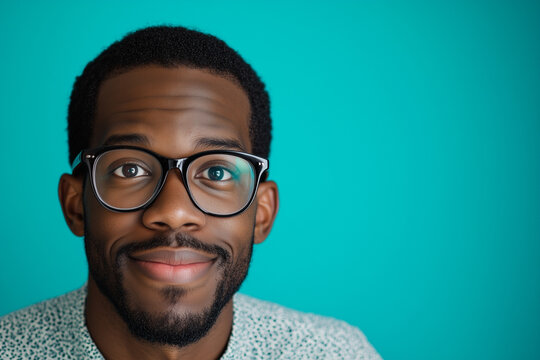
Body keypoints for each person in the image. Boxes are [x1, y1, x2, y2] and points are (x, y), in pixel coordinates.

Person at [0, 26, 381, 359]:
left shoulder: (334, 354)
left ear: (262, 213)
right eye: (129, 169)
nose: (175, 211)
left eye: (216, 171)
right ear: (75, 206)